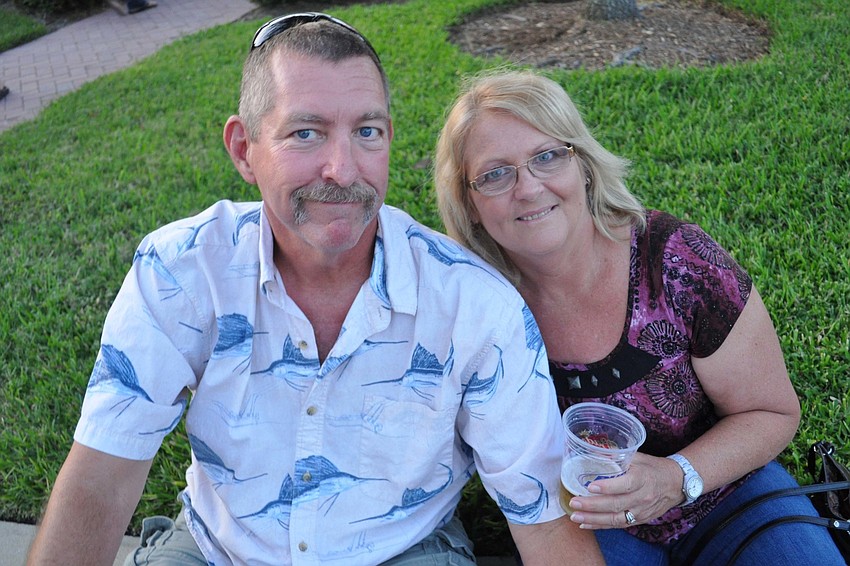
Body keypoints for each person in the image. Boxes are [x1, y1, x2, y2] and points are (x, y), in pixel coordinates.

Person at [26, 15, 604, 566]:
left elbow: (543, 514)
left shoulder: (474, 304)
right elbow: (101, 477)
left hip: (401, 550)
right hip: (218, 548)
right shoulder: (181, 272)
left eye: (367, 132)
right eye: (306, 133)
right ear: (243, 149)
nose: (343, 169)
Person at [433, 69, 845, 565]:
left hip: (722, 491)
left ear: (581, 164)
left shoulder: (676, 262)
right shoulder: (475, 306)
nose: (528, 188)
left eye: (546, 157)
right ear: (470, 203)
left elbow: (772, 412)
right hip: (582, 516)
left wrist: (677, 477)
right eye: (495, 174)